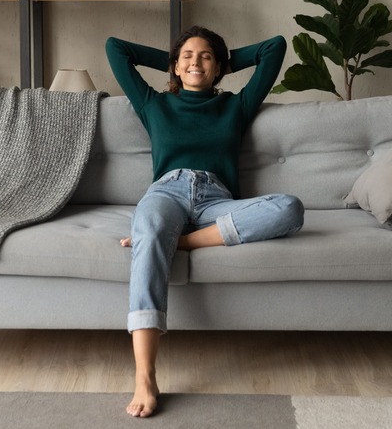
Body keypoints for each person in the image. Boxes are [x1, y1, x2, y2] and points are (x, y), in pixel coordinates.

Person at [105, 26, 304, 418]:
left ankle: (179, 242)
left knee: (290, 208)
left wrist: (223, 59)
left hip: (218, 200)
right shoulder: (153, 103)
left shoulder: (237, 104)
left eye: (206, 57)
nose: (196, 61)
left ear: (219, 70)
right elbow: (117, 47)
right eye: (187, 57)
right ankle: (145, 375)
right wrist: (177, 54)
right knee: (149, 227)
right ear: (175, 68)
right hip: (167, 192)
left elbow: (274, 47)